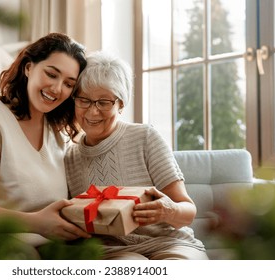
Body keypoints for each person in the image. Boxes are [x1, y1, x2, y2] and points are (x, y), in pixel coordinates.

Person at [64, 51, 208, 260]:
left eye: (104, 102)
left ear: (120, 104)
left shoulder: (145, 137)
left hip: (170, 244)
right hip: (113, 251)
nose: (92, 112)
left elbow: (188, 211)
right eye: (84, 100)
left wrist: (168, 211)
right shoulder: (69, 157)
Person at [0, 33, 91, 243]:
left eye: (69, 84)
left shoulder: (57, 132)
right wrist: (37, 223)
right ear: (28, 68)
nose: (57, 89)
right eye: (51, 74)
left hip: (55, 247)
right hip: (4, 246)